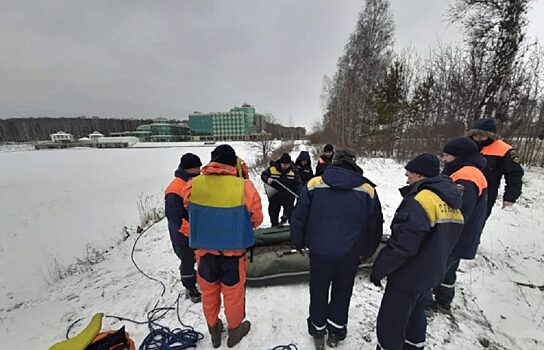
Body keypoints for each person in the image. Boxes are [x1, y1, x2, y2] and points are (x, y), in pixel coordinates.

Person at [291, 148, 383, 349]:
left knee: (318, 291)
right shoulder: (367, 189)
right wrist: (368, 250)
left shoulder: (315, 183)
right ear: (354, 163)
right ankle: (336, 331)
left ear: (334, 161)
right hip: (350, 254)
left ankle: (317, 330)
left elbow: (299, 217)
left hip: (319, 252)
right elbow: (375, 224)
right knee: (342, 292)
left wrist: (298, 242)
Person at [371, 153, 464, 350]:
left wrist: (380, 269)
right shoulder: (451, 201)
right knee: (415, 315)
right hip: (431, 273)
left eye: (409, 174)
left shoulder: (420, 200)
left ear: (421, 176)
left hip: (408, 275)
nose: (407, 178)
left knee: (392, 321)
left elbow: (402, 245)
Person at [181, 144, 263, 348]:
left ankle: (214, 330)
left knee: (208, 294)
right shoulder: (244, 186)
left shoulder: (193, 184)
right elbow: (257, 219)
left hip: (204, 254)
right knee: (233, 295)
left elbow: (189, 208)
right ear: (232, 163)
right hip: (233, 255)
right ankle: (235, 332)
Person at [425, 137, 488, 315]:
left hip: (455, 235)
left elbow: (460, 211)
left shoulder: (465, 177)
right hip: (463, 235)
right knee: (448, 269)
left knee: (435, 268)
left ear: (460, 156)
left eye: (447, 155)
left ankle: (426, 302)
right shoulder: (469, 171)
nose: (444, 159)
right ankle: (444, 301)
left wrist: (442, 234)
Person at [467, 118, 524, 218]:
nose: (478, 138)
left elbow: (514, 175)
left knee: (474, 227)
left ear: (491, 136)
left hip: (486, 196)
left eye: (482, 135)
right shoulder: (466, 146)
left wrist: (509, 197)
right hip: (461, 192)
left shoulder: (504, 150)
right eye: (475, 135)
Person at [164, 153, 202, 303]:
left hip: (196, 231)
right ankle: (190, 287)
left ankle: (199, 278)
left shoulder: (196, 181)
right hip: (182, 235)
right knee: (187, 260)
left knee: (198, 257)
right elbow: (175, 219)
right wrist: (192, 233)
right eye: (196, 168)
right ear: (187, 169)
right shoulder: (174, 189)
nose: (199, 170)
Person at [261, 153, 302, 227]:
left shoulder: (293, 171)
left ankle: (293, 230)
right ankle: (274, 226)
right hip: (275, 196)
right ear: (280, 163)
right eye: (283, 164)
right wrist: (267, 179)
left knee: (292, 215)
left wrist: (300, 194)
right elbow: (263, 175)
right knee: (273, 213)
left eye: (287, 164)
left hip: (288, 196)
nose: (285, 166)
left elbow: (298, 185)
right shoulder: (272, 169)